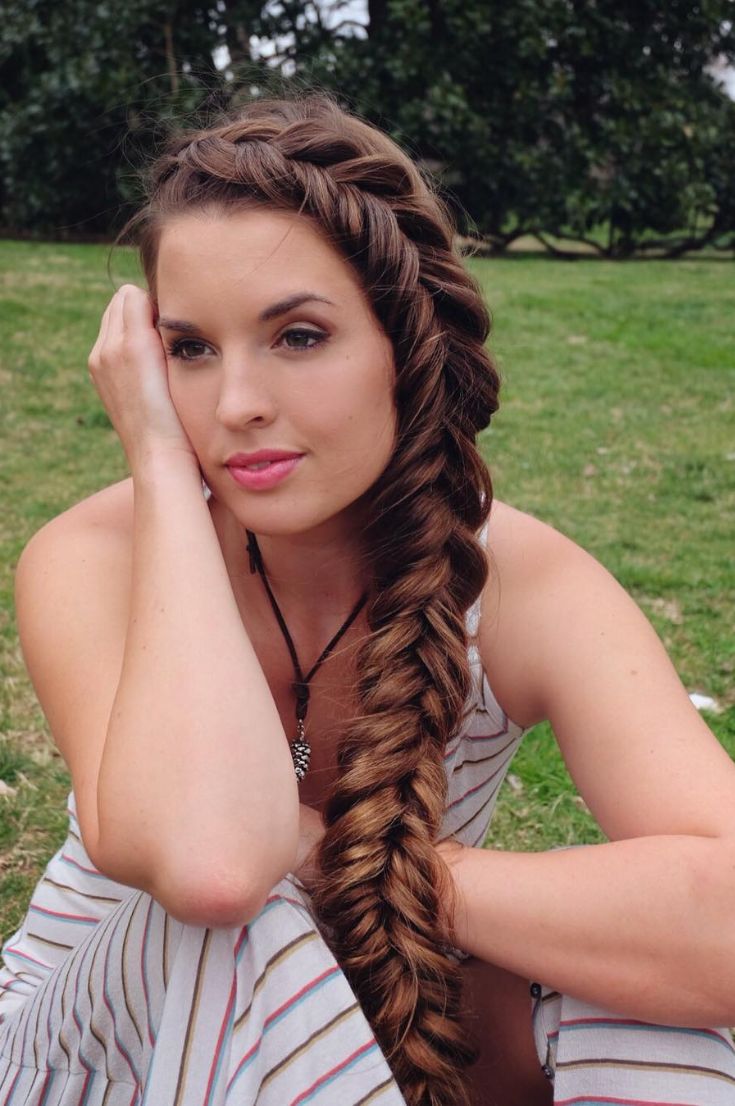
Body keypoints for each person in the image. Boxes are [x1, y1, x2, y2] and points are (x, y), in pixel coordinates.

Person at [1, 92, 735, 1106]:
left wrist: (366, 866)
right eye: (191, 349)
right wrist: (161, 468)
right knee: (237, 922)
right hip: (92, 1053)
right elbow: (216, 865)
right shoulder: (94, 557)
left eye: (298, 336)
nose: (236, 404)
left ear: (408, 344)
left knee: (641, 1003)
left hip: (367, 1021)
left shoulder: (523, 584)